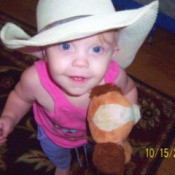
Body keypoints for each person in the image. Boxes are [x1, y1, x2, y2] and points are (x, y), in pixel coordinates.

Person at [0, 0, 158, 175]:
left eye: (96, 49)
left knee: (94, 152)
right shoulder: (34, 80)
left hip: (94, 134)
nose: (81, 62)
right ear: (44, 50)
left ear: (113, 52)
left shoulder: (114, 77)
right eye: (66, 46)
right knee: (57, 155)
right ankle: (62, 165)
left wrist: (122, 123)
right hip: (53, 136)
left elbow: (128, 91)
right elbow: (20, 97)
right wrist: (9, 117)